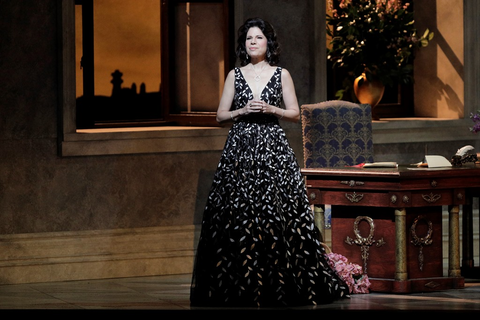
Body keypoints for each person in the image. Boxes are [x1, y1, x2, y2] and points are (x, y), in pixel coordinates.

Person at [190, 17, 350, 307]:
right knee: (238, 217)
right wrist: (241, 111)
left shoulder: (281, 74)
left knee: (277, 215)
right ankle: (239, 285)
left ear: (268, 43)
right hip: (240, 149)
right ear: (244, 44)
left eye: (258, 38)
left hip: (272, 149)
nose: (253, 42)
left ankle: (279, 284)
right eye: (249, 38)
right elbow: (219, 116)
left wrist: (269, 107)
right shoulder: (235, 75)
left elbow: (294, 113)